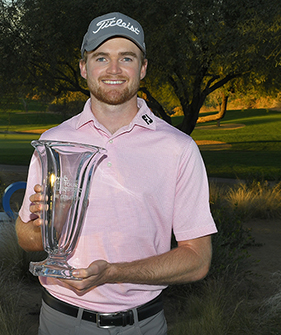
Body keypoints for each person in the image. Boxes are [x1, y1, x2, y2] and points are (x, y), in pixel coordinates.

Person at [15, 12, 218, 335]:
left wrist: (113, 272)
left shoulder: (179, 148)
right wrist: (46, 224)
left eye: (127, 57)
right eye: (101, 58)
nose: (113, 70)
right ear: (84, 68)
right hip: (61, 321)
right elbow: (27, 238)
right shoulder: (52, 141)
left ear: (143, 68)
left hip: (143, 324)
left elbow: (197, 260)